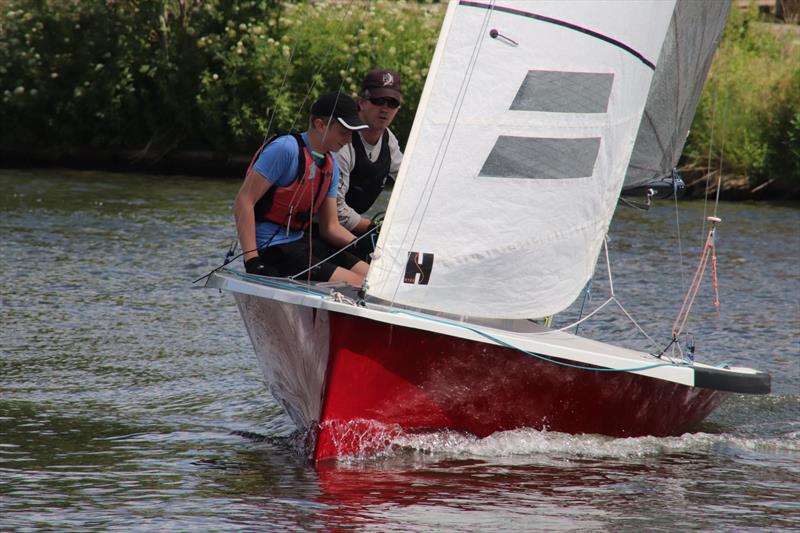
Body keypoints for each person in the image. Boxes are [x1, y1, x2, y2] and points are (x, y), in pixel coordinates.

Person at [233, 92, 370, 286]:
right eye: (344, 131)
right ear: (320, 125)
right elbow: (243, 202)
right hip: (272, 249)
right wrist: (252, 260)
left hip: (302, 242)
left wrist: (360, 243)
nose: (349, 139)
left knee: (376, 276)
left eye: (352, 133)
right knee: (358, 283)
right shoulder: (285, 149)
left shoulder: (331, 165)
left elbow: (330, 227)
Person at [334, 69, 404, 256]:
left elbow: (410, 184)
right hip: (320, 231)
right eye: (378, 101)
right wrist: (375, 227)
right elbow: (336, 212)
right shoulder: (343, 142)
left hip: (355, 233)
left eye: (392, 103)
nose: (385, 109)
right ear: (362, 103)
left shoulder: (389, 141)